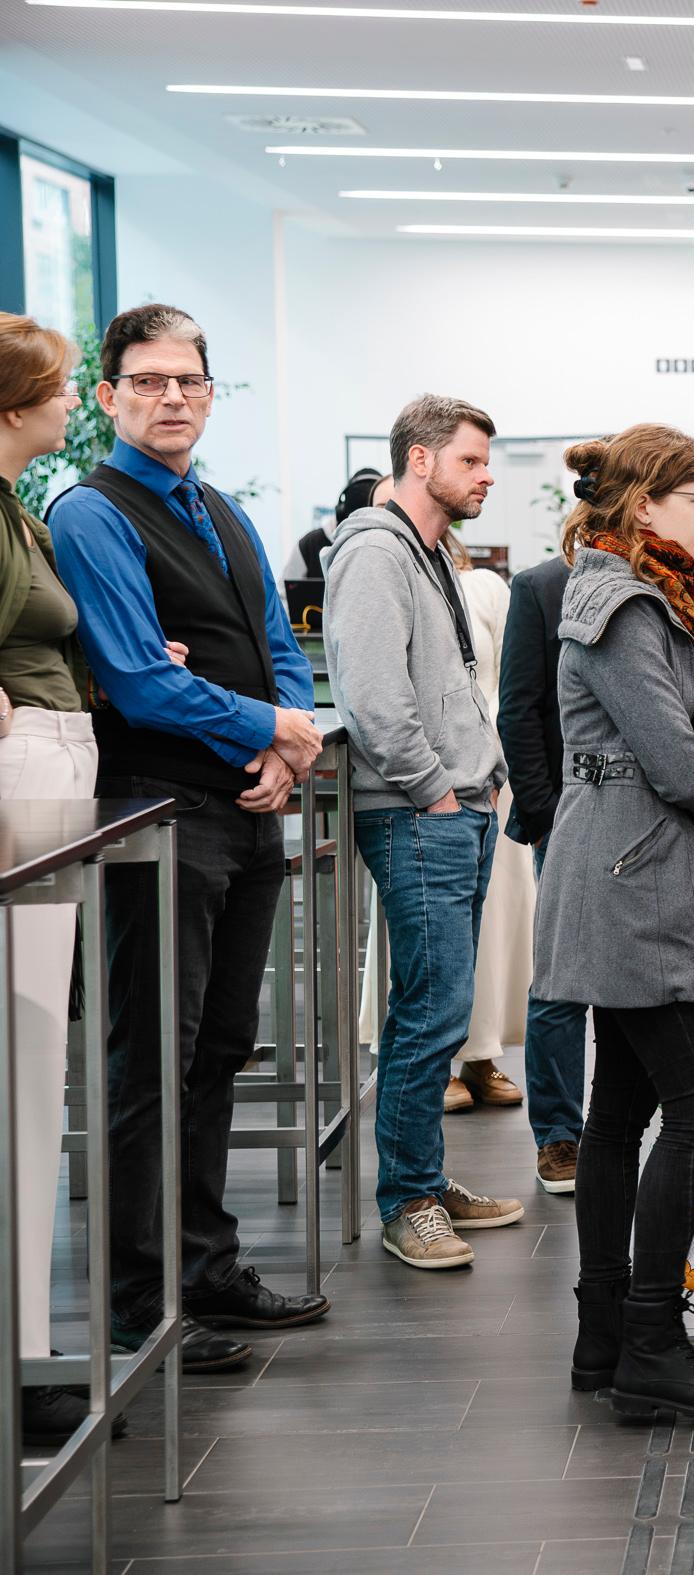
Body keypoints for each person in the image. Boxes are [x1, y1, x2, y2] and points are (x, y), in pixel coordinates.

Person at [48, 303, 330, 1374]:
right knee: (148, 1063)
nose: (173, 398)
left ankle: (203, 1269)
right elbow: (137, 677)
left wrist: (283, 744)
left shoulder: (221, 508)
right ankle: (138, 1304)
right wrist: (267, 729)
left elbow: (275, 645)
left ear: (211, 395)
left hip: (243, 813)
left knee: (217, 1051)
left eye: (190, 382)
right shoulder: (92, 512)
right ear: (111, 396)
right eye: (150, 381)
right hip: (152, 816)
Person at [533, 424, 694, 1423]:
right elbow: (681, 769)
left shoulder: (625, 590)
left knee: (621, 1112)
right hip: (636, 876)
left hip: (626, 864)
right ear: (646, 508)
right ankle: (649, 1341)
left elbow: (670, 752)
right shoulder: (627, 603)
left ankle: (606, 1336)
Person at [324, 393, 519, 1270]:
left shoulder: (429, 548)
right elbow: (373, 695)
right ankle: (406, 1199)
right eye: (472, 460)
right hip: (417, 812)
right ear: (420, 460)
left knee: (440, 1006)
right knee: (427, 1010)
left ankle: (427, 1181)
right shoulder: (374, 551)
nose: (486, 476)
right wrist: (435, 790)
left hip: (458, 805)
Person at [0, 312, 106, 1442]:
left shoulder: (18, 511)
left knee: (35, 1071)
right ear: (14, 399)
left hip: (52, 767)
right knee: (20, 1069)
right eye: (62, 387)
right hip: (20, 781)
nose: (69, 403)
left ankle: (27, 1342)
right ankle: (18, 1358)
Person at [497, 547, 586, 1192]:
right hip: (566, 813)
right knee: (558, 978)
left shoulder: (668, 579)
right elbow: (519, 709)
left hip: (649, 814)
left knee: (636, 979)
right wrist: (546, 812)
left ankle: (613, 1127)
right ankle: (558, 1136)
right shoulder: (539, 587)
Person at [448, 538, 533, 1116]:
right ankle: (440, 1064)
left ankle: (482, 1056)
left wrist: (509, 769)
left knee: (498, 917)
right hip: (420, 779)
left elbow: (511, 684)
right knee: (435, 928)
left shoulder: (485, 588)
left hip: (491, 774)